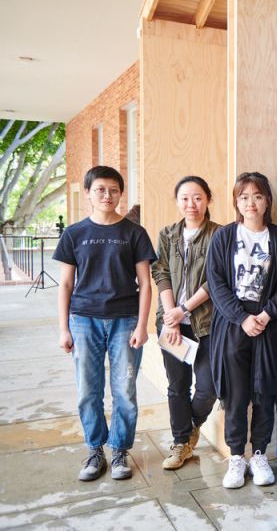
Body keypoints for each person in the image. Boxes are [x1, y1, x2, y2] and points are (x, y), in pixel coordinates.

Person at [54, 165, 157, 481]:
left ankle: (121, 450)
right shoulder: (74, 233)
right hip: (84, 321)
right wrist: (63, 328)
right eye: (100, 189)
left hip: (125, 322)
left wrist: (142, 326)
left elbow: (146, 283)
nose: (107, 195)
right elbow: (66, 285)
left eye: (113, 190)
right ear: (88, 193)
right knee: (88, 389)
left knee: (124, 389)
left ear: (120, 193)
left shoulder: (134, 233)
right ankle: (94, 449)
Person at [206, 172, 277, 489]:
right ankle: (236, 458)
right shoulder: (224, 237)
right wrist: (242, 317)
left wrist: (268, 313)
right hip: (233, 325)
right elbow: (216, 283)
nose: (251, 203)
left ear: (267, 200)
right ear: (236, 202)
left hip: (269, 325)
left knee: (265, 391)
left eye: (257, 196)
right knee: (235, 394)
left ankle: (259, 456)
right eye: (243, 197)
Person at [151, 176, 220, 470]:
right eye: (185, 198)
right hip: (171, 324)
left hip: (207, 324)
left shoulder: (220, 235)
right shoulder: (167, 234)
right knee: (177, 385)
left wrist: (184, 309)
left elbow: (216, 279)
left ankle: (191, 426)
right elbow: (161, 273)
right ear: (177, 201)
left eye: (197, 198)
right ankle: (181, 444)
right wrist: (171, 317)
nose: (191, 204)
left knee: (209, 385)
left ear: (208, 200)